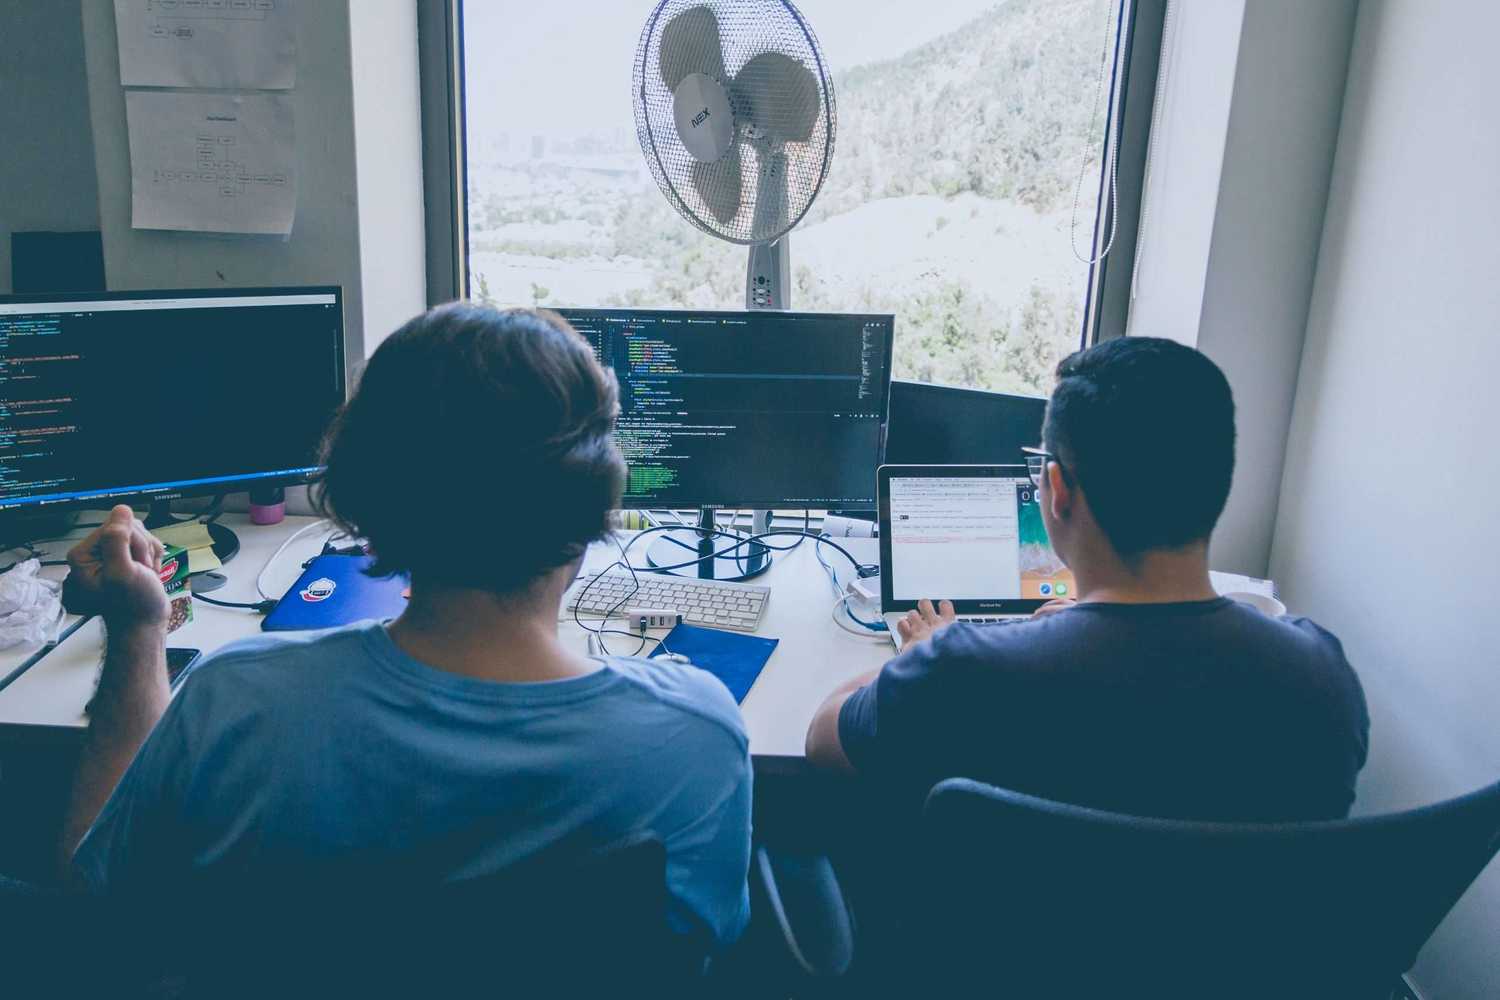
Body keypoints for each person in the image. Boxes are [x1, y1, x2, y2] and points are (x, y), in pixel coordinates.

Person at [59, 304, 752, 946]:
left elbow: (100, 898)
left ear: (366, 499)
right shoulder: (695, 733)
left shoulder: (234, 702)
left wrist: (139, 626)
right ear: (596, 503)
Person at [806, 337, 1368, 822]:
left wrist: (915, 656)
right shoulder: (1323, 678)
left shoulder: (959, 670)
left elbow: (822, 738)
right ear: (1220, 482)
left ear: (1058, 490)